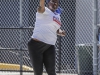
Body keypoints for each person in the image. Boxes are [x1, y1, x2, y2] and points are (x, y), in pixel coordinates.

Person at [28, 0, 66, 75]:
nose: (55, 3)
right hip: (36, 45)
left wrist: (61, 32)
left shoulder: (57, 15)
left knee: (51, 72)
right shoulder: (44, 10)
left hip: (49, 46)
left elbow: (56, 29)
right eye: (53, 1)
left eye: (57, 2)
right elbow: (41, 7)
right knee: (38, 72)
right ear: (48, 2)